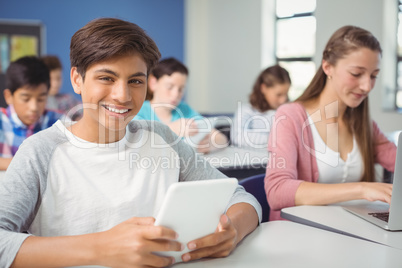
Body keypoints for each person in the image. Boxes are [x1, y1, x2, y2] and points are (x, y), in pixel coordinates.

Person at [0, 18, 261, 267]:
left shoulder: (162, 139)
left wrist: (233, 231)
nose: (122, 95)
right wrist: (100, 248)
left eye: (135, 81)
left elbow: (242, 199)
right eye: (106, 78)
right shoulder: (40, 151)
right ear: (77, 79)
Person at [265, 25, 397, 221]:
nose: (367, 86)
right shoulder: (290, 117)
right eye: (356, 73)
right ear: (327, 67)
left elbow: (397, 159)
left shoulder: (365, 126)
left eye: (373, 76)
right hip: (300, 234)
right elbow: (277, 191)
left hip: (350, 231)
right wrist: (362, 189)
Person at [135, 57, 229, 153]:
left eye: (181, 89)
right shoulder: (138, 111)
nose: (176, 94)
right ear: (153, 83)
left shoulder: (185, 110)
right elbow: (134, 144)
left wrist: (211, 144)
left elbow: (221, 139)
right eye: (169, 87)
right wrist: (169, 130)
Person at [0, 56, 65, 170]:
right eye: (25, 99)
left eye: (41, 99)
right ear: (9, 96)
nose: (34, 107)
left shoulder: (60, 122)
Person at [231, 65, 291, 148]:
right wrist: (275, 140)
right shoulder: (246, 111)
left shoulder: (289, 112)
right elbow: (237, 137)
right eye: (279, 94)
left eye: (286, 94)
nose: (283, 100)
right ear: (263, 88)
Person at [41, 55, 82, 120]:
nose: (55, 83)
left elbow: (84, 112)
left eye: (58, 78)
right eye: (50, 79)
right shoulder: (40, 103)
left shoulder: (68, 99)